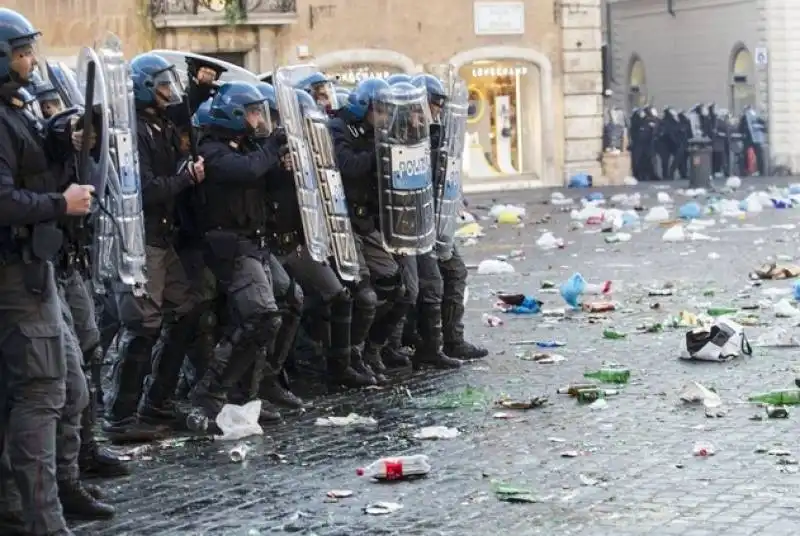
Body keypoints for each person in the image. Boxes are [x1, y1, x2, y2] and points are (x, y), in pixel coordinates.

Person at [0, 7, 96, 534]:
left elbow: (30, 170)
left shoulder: (15, 108)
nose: (30, 61)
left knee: (56, 389)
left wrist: (66, 143)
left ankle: (20, 507)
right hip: (17, 273)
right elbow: (6, 199)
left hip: (33, 267)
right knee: (41, 392)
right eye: (21, 52)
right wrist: (62, 204)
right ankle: (44, 521)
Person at [103, 53, 209, 442]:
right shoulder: (132, 132)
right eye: (163, 85)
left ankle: (158, 402)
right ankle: (120, 416)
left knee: (188, 310)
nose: (169, 92)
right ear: (146, 87)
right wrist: (186, 178)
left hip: (163, 237)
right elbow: (145, 189)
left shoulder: (162, 125)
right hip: (140, 238)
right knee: (143, 326)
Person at [186, 80, 288, 431]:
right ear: (233, 114)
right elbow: (244, 172)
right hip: (229, 245)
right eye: (253, 113)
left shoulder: (247, 147)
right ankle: (210, 394)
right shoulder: (212, 150)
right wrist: (273, 148)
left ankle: (250, 392)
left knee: (287, 300)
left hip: (255, 243)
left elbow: (261, 180)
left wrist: (283, 166)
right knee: (261, 317)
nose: (259, 120)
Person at [260, 84, 376, 391]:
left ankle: (339, 367)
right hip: (271, 243)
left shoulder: (310, 148)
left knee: (338, 295)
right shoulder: (261, 148)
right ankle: (274, 376)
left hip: (301, 242)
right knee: (280, 307)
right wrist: (276, 163)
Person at [328, 78, 410, 383]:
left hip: (367, 221)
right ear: (366, 107)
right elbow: (347, 165)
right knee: (363, 295)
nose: (385, 117)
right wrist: (381, 148)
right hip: (344, 222)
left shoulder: (377, 133)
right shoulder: (338, 128)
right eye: (381, 110)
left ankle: (372, 350)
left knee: (398, 288)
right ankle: (351, 357)